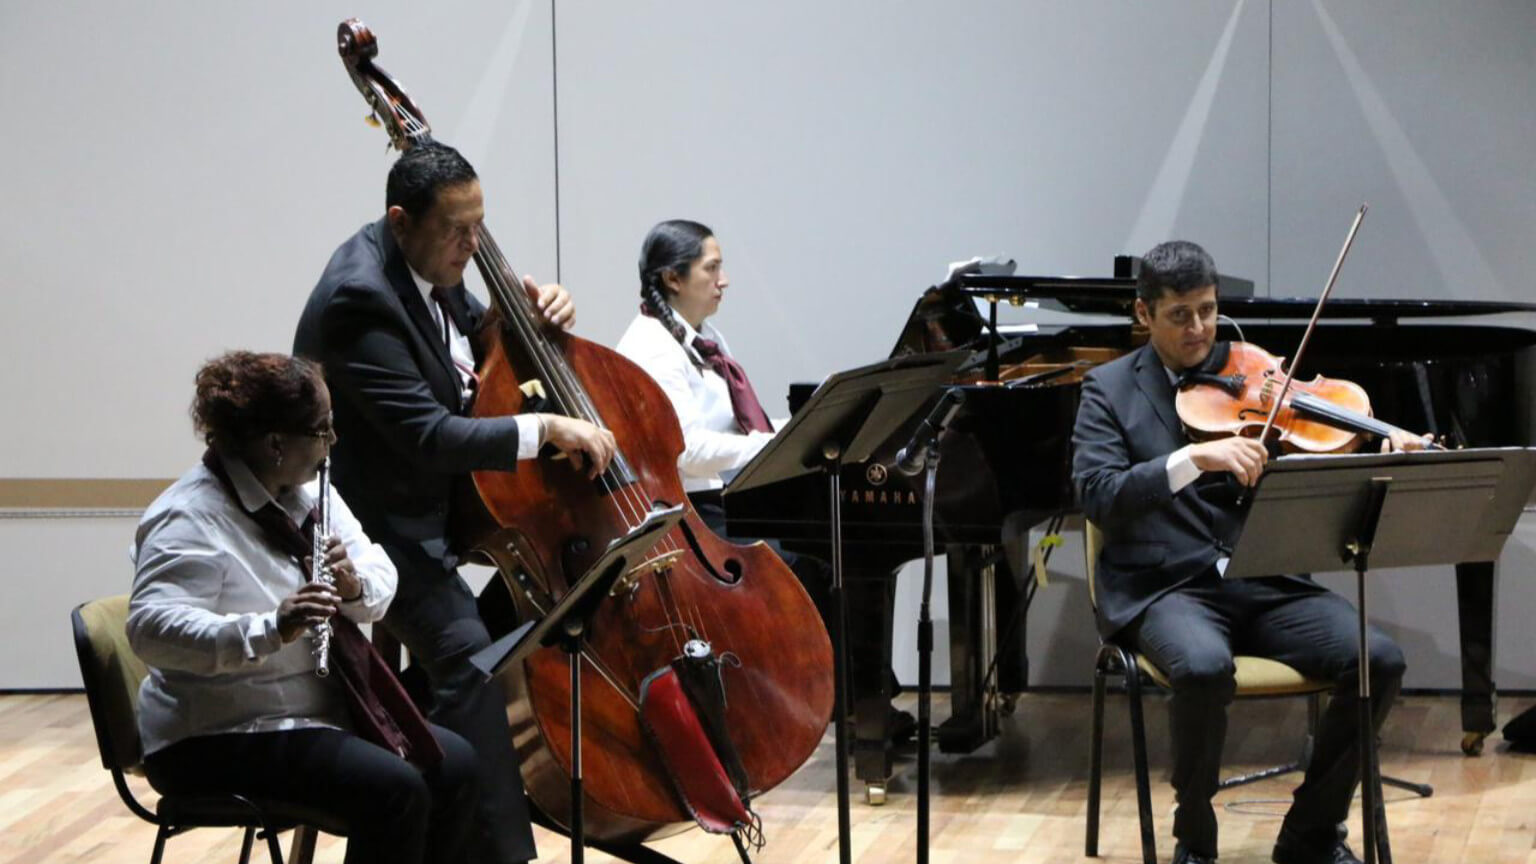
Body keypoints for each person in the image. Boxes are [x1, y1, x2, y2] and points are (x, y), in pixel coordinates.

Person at [294, 141, 616, 864]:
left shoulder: (431, 264)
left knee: (545, 616)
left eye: (480, 228)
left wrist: (532, 312)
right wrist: (545, 428)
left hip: (432, 512)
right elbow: (428, 436)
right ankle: (505, 855)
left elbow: (478, 331)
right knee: (469, 659)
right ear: (400, 220)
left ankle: (404, 780)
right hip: (368, 529)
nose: (474, 249)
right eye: (457, 232)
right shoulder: (360, 300)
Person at [1071, 241, 1424, 864]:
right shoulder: (1107, 391)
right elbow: (1098, 494)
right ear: (1143, 314)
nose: (1200, 329)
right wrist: (1192, 458)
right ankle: (1195, 838)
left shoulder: (1254, 374)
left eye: (1208, 310)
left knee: (1379, 660)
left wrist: (1382, 445)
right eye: (1180, 314)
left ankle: (1311, 833)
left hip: (1261, 578)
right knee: (1204, 668)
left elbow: (1322, 443)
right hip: (1165, 589)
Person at [128, 351, 480, 864]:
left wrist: (353, 585)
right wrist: (272, 627)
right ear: (275, 443)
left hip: (310, 711)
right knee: (395, 792)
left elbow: (381, 575)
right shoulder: (190, 518)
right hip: (218, 731)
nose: (332, 442)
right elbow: (153, 631)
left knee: (457, 767)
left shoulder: (307, 493)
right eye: (321, 430)